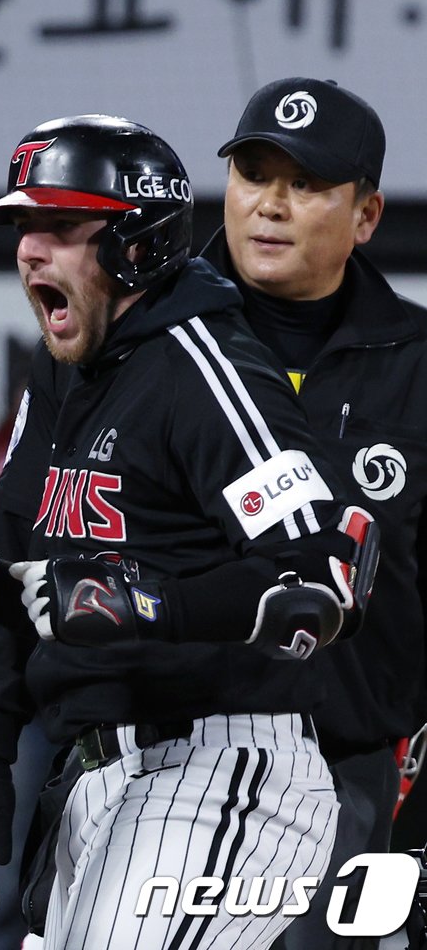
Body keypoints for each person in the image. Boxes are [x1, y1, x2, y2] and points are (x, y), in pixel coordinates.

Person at [0, 114, 379, 950]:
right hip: (94, 775)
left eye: (60, 226)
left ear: (137, 245)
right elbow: (24, 580)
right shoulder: (60, 372)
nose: (30, 250)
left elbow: (324, 582)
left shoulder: (202, 364)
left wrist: (150, 604)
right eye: (23, 226)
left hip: (224, 768)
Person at [200, 76, 427, 950]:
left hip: (346, 771)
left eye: (305, 184)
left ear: (365, 216)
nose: (271, 205)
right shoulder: (148, 345)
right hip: (159, 756)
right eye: (255, 173)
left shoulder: (415, 362)